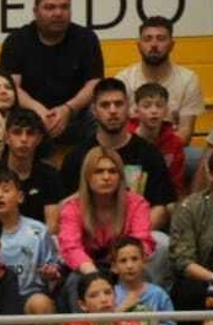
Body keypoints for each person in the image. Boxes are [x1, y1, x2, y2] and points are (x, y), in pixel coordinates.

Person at [60, 78, 176, 237]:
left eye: (118, 104)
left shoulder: (149, 154)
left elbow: (160, 209)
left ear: (128, 107)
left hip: (135, 238)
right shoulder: (77, 156)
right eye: (105, 105)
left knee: (161, 240)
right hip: (89, 237)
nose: (113, 111)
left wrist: (129, 241)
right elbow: (64, 207)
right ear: (94, 110)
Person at [0, 0, 103, 145]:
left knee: (99, 113)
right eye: (50, 7)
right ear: (35, 12)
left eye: (64, 7)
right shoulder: (17, 40)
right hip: (30, 115)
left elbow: (94, 83)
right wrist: (38, 110)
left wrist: (68, 109)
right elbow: (11, 86)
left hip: (75, 113)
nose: (58, 13)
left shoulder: (86, 38)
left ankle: (96, 159)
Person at [58, 145, 155, 308]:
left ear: (120, 176)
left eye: (112, 171)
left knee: (143, 275)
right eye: (99, 171)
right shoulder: (72, 207)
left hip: (123, 264)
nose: (106, 177)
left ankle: (140, 323)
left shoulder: (137, 203)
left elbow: (142, 241)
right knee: (78, 281)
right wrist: (95, 277)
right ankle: (84, 324)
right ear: (87, 177)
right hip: (86, 268)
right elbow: (71, 247)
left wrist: (125, 265)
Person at [0, 168, 64, 325]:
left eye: (6, 190)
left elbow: (55, 265)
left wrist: (51, 272)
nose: (0, 196)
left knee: (41, 304)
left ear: (20, 197)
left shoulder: (37, 231)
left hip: (29, 296)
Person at [0, 108, 64, 228]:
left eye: (30, 133)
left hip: (38, 238)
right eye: (17, 132)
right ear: (6, 137)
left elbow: (52, 227)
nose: (24, 139)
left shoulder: (50, 176)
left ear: (39, 139)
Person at [115, 16, 202, 145]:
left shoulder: (188, 79)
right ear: (139, 45)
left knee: (198, 155)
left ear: (171, 45)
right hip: (133, 148)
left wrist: (160, 153)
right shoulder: (123, 79)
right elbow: (119, 129)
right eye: (147, 39)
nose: (154, 45)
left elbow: (185, 131)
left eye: (161, 39)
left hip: (172, 148)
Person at [169, 152, 213, 325]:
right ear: (211, 174)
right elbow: (182, 260)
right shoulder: (190, 207)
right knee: (189, 290)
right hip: (203, 277)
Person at [108, 235, 176, 325]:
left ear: (144, 261)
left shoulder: (158, 294)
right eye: (123, 261)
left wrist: (147, 324)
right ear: (114, 267)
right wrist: (122, 309)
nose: (130, 266)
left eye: (134, 259)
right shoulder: (109, 295)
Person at [133, 84, 187, 198]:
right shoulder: (128, 139)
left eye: (159, 106)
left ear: (166, 111)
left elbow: (176, 184)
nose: (154, 111)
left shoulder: (175, 143)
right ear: (136, 111)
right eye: (146, 106)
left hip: (164, 198)